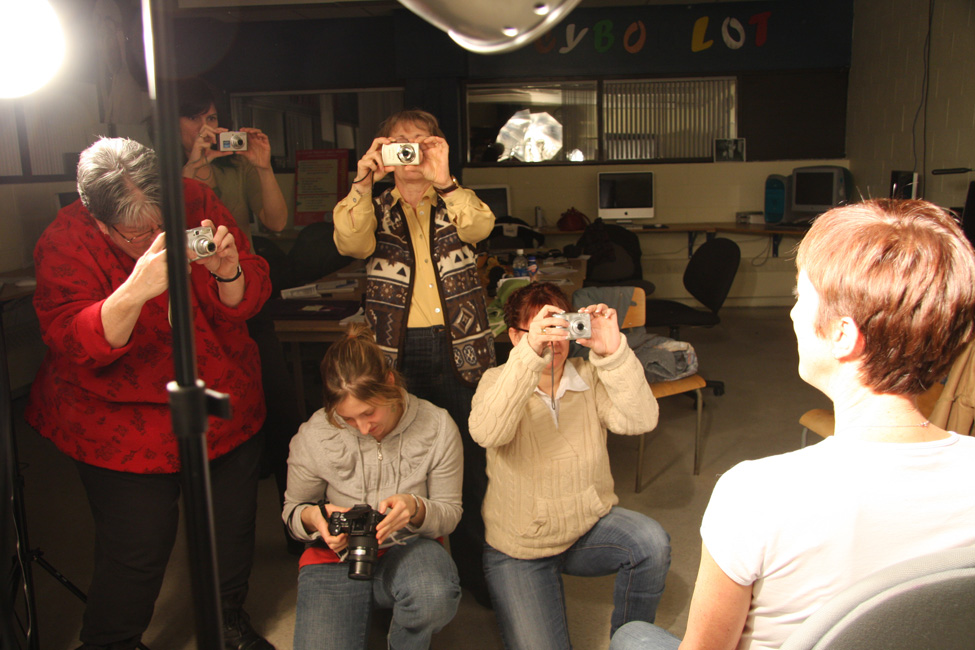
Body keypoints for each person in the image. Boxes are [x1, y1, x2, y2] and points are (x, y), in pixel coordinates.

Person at [609, 199, 975, 650]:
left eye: (802, 297)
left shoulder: (755, 493)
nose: (793, 314)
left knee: (632, 636)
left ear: (842, 335)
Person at [25, 137, 275, 650]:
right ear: (100, 221)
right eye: (138, 234)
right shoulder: (65, 240)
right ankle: (113, 640)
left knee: (229, 523)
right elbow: (75, 342)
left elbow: (247, 297)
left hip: (216, 387)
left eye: (163, 224)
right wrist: (136, 289)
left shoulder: (196, 199)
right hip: (117, 416)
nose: (155, 239)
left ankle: (227, 617)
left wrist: (228, 272)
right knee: (137, 542)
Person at [332, 108, 496, 603]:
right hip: (394, 351)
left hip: (461, 347)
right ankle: (406, 571)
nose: (410, 150)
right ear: (383, 149)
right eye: (399, 141)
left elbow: (480, 228)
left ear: (437, 147)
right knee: (398, 457)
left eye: (421, 140)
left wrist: (444, 180)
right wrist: (363, 181)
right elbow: (350, 242)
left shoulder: (455, 199)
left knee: (470, 461)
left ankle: (475, 571)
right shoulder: (374, 204)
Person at [469, 282, 672, 649]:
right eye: (541, 329)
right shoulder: (497, 381)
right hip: (520, 548)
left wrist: (614, 354)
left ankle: (631, 640)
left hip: (583, 528)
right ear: (515, 336)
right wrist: (529, 357)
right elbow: (487, 432)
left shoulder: (590, 375)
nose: (553, 341)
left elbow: (641, 420)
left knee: (651, 542)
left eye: (559, 327)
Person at [282, 323, 463, 650]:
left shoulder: (438, 426)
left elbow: (450, 514)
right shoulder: (314, 434)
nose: (363, 429)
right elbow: (293, 512)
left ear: (389, 383)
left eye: (369, 413)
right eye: (348, 419)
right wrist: (314, 518)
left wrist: (416, 508)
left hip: (409, 548)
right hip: (336, 557)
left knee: (433, 596)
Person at [177, 78, 300, 548]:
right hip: (190, 308)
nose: (206, 127)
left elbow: (276, 221)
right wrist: (191, 171)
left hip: (244, 295)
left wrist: (263, 167)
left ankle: (297, 525)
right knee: (213, 413)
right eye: (195, 118)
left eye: (211, 117)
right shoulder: (157, 172)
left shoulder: (235, 165)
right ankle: (216, 534)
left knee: (279, 402)